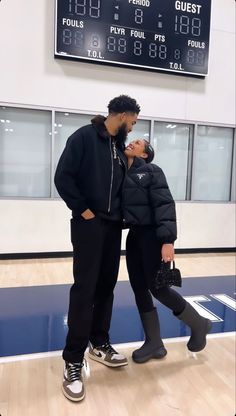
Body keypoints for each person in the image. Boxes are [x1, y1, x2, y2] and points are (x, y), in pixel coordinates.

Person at [54, 95, 140, 402]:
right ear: (120, 115)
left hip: (113, 226)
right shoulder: (83, 138)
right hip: (89, 225)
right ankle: (73, 360)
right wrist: (83, 210)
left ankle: (99, 342)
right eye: (132, 121)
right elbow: (62, 177)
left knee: (106, 286)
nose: (133, 127)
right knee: (85, 289)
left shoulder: (119, 147)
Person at [122, 139, 212, 363]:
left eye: (139, 143)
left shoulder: (152, 171)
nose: (132, 143)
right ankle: (154, 343)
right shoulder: (122, 172)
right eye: (133, 140)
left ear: (145, 155)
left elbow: (164, 204)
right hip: (134, 236)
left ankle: (198, 324)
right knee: (139, 288)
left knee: (159, 289)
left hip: (153, 236)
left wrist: (168, 240)